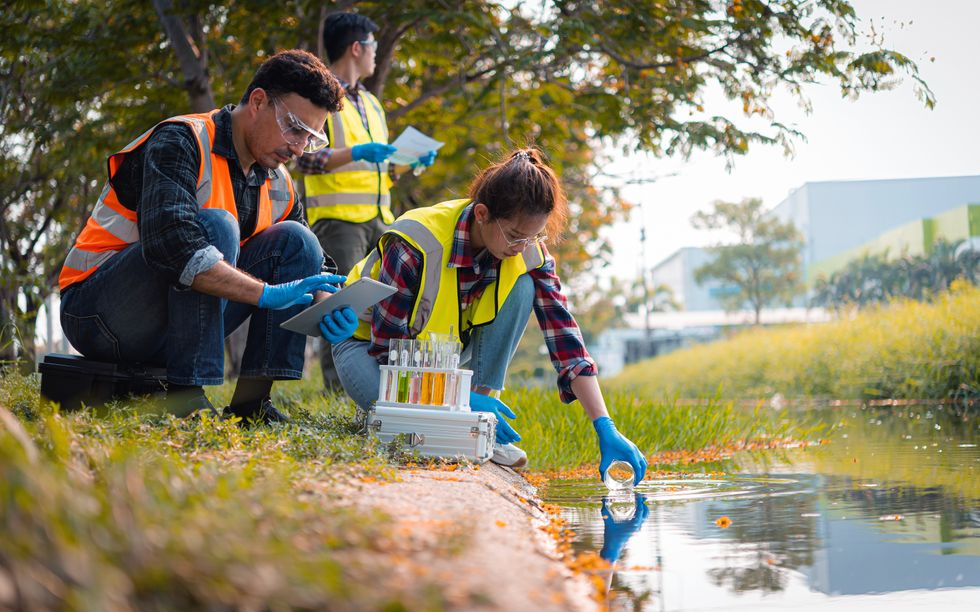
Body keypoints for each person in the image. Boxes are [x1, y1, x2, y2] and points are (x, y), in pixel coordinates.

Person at [58, 49, 361, 422]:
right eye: (294, 128)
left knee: (297, 241)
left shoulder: (279, 181)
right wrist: (265, 294)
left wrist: (325, 300)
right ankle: (186, 399)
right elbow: (172, 247)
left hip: (170, 330)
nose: (298, 147)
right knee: (215, 225)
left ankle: (252, 404)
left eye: (311, 138)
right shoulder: (181, 140)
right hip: (100, 316)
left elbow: (312, 263)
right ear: (258, 101)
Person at [331, 148, 648, 478]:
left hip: (439, 360)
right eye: (514, 235)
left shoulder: (527, 252)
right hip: (368, 351)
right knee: (413, 436)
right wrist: (459, 399)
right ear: (482, 213)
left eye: (534, 236)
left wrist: (604, 425)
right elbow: (387, 353)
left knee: (525, 286)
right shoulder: (415, 243)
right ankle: (450, 416)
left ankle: (478, 426)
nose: (522, 247)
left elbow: (565, 339)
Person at [296, 12, 437, 390]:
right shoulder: (320, 97)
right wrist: (358, 151)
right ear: (357, 48)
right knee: (339, 305)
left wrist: (408, 164)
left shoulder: (373, 104)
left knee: (382, 303)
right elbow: (306, 158)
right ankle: (338, 391)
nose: (376, 55)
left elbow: (382, 170)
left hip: (380, 218)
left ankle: (379, 381)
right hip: (338, 220)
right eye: (373, 46)